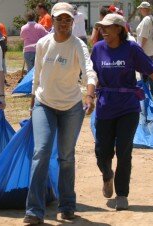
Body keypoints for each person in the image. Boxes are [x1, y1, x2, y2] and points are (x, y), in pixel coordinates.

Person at [90, 13, 153, 211]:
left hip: (127, 107)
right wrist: (89, 96)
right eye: (101, 27)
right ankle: (107, 175)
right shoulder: (97, 49)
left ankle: (122, 194)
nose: (103, 30)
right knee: (101, 151)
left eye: (108, 27)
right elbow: (92, 74)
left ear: (120, 29)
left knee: (124, 151)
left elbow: (150, 69)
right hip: (105, 106)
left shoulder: (131, 49)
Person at [24, 2, 97, 224]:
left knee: (66, 157)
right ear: (52, 21)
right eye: (60, 19)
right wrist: (33, 97)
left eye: (68, 20)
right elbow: (36, 74)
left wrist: (90, 95)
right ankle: (34, 210)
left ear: (72, 22)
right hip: (44, 104)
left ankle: (67, 206)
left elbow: (89, 71)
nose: (64, 24)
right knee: (41, 152)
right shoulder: (43, 44)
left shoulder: (78, 45)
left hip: (71, 108)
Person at [136, 1, 153, 96]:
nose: (140, 10)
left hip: (146, 50)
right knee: (150, 70)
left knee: (147, 71)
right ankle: (152, 91)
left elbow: (144, 36)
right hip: (150, 49)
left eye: (141, 8)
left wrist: (139, 49)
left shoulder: (146, 19)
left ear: (144, 9)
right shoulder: (151, 18)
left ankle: (150, 91)